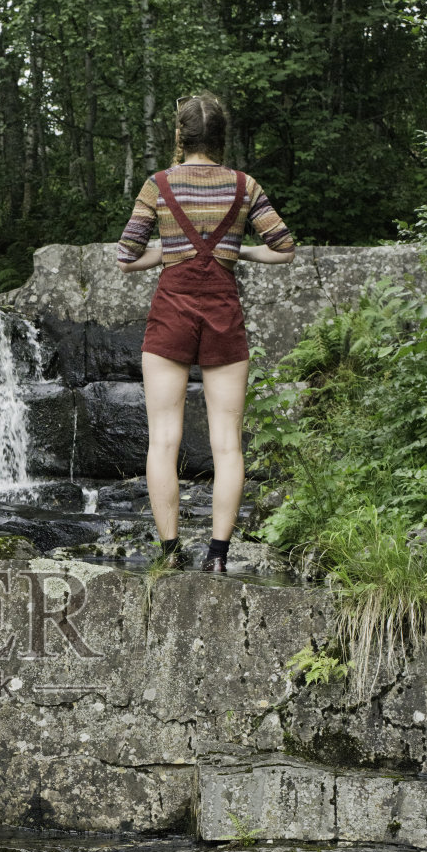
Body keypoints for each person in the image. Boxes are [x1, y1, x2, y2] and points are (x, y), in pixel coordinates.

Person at [117, 93, 295, 573]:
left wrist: (173, 250)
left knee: (164, 441)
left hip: (171, 314)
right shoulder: (244, 185)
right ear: (221, 137)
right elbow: (283, 248)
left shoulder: (158, 185)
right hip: (223, 314)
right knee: (227, 444)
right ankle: (217, 557)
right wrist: (240, 253)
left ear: (181, 135)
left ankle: (171, 554)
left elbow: (127, 257)